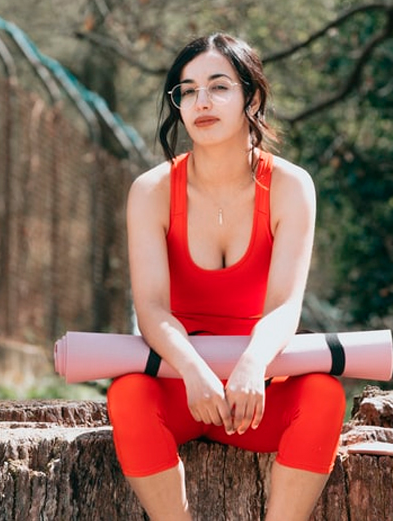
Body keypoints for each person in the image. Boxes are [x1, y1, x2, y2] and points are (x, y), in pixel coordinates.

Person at [107, 33, 346, 520]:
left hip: (254, 392)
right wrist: (194, 371)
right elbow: (151, 307)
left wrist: (253, 366)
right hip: (182, 385)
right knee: (128, 394)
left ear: (250, 97)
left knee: (323, 393)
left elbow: (284, 305)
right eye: (188, 90)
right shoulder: (151, 190)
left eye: (218, 86)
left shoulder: (290, 186)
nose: (202, 102)